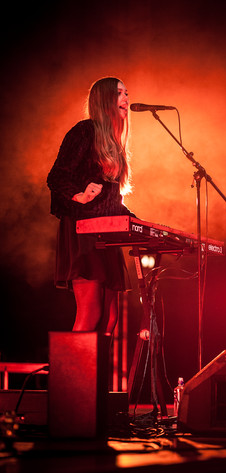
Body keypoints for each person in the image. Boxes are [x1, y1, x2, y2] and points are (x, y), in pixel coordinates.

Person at [47, 77, 134, 336]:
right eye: (119, 93)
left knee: (109, 320)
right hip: (83, 231)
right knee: (91, 313)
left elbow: (112, 201)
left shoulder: (115, 144)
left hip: (105, 234)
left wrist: (134, 221)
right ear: (104, 99)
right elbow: (57, 176)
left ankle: (96, 377)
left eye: (127, 93)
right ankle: (74, 376)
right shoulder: (85, 131)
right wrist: (79, 195)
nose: (126, 99)